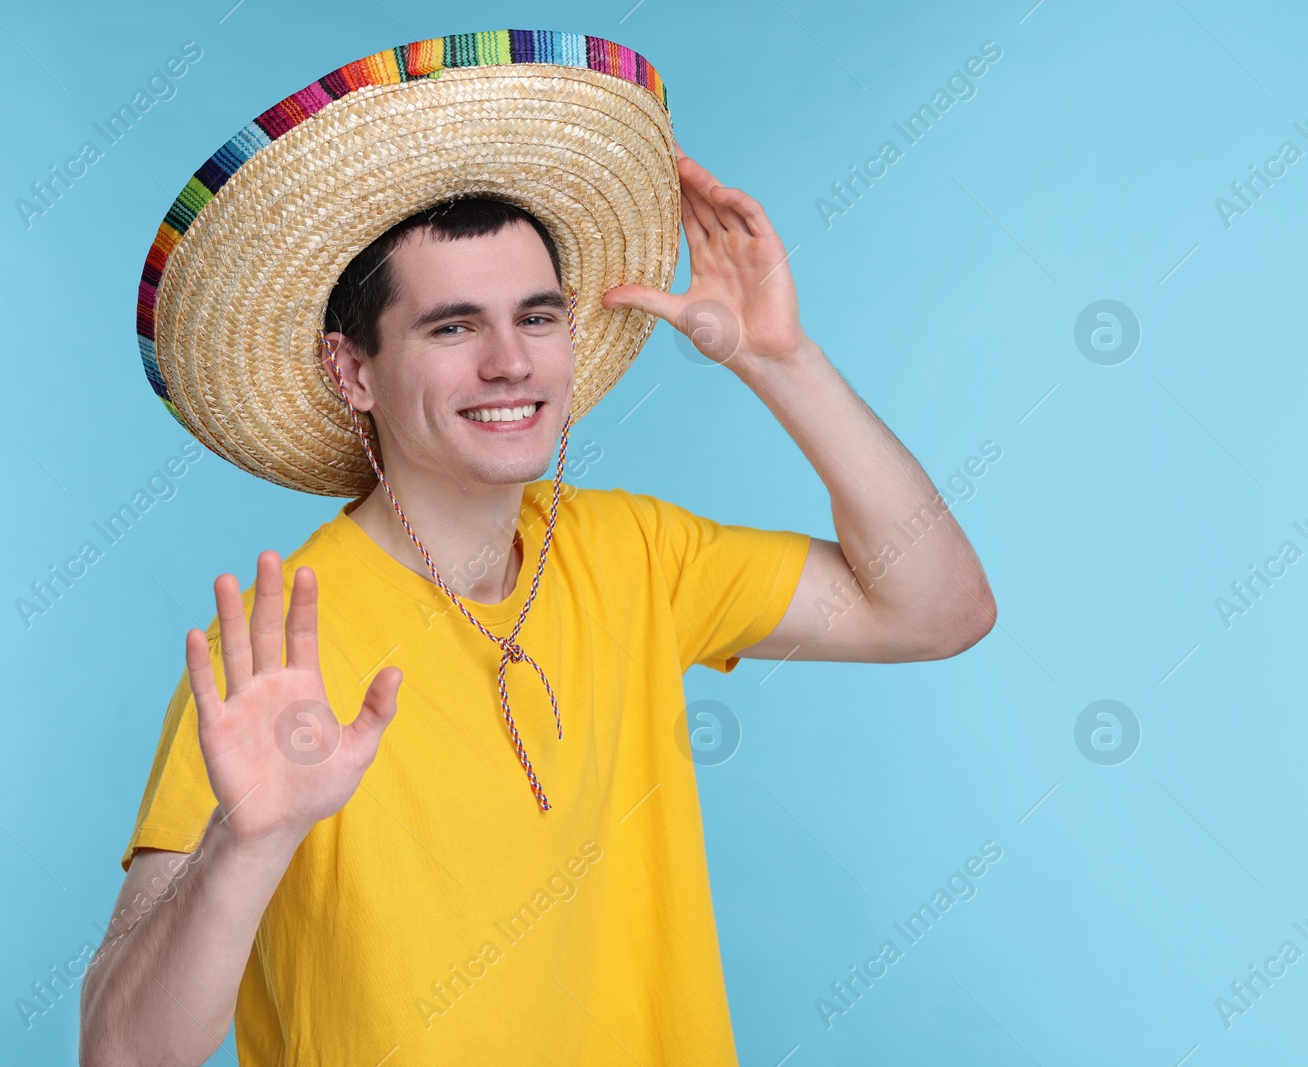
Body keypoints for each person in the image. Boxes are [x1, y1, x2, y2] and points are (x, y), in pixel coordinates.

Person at [80, 29, 994, 1067]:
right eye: (451, 327)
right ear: (353, 369)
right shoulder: (279, 646)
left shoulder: (641, 553)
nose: (511, 362)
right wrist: (244, 846)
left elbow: (938, 608)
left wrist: (781, 360)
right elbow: (122, 1051)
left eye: (537, 314)